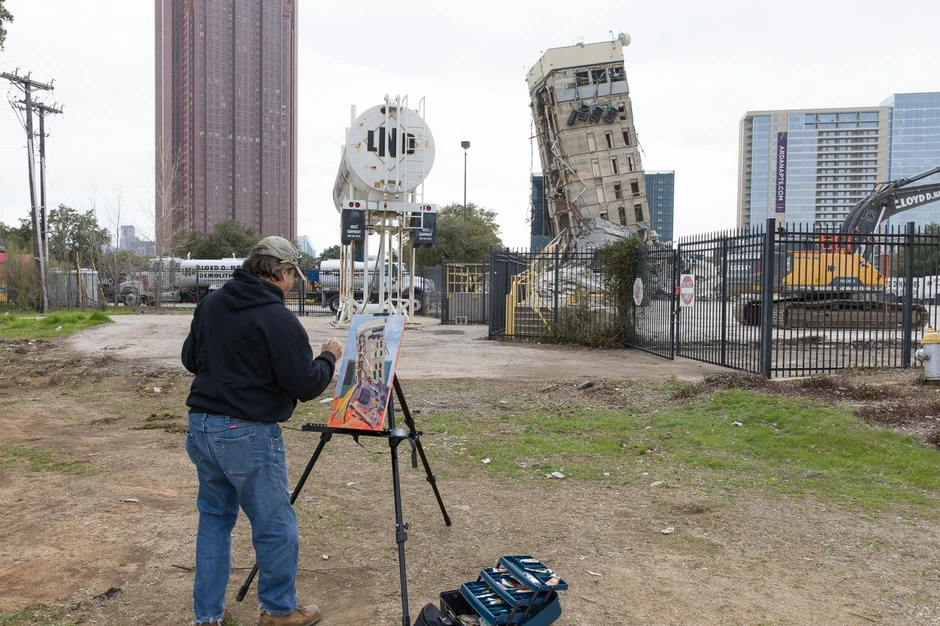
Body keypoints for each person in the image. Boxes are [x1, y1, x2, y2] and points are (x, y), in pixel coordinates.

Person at [182, 236, 343, 626]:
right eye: (293, 277)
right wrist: (328, 357)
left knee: (215, 521)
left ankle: (206, 618)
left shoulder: (211, 304)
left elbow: (191, 359)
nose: (292, 286)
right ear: (282, 272)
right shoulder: (277, 318)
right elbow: (304, 384)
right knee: (275, 526)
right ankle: (278, 610)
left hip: (201, 425)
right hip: (246, 432)